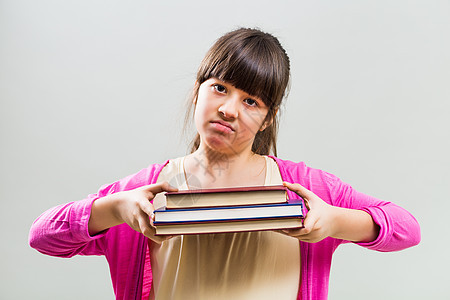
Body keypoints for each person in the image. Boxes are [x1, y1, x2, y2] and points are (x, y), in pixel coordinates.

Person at [29, 28, 421, 300]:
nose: (229, 109)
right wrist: (114, 208)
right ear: (197, 91)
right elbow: (42, 236)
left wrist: (335, 222)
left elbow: (407, 228)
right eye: (220, 88)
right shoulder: (145, 191)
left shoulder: (305, 188)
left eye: (251, 101)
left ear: (268, 118)